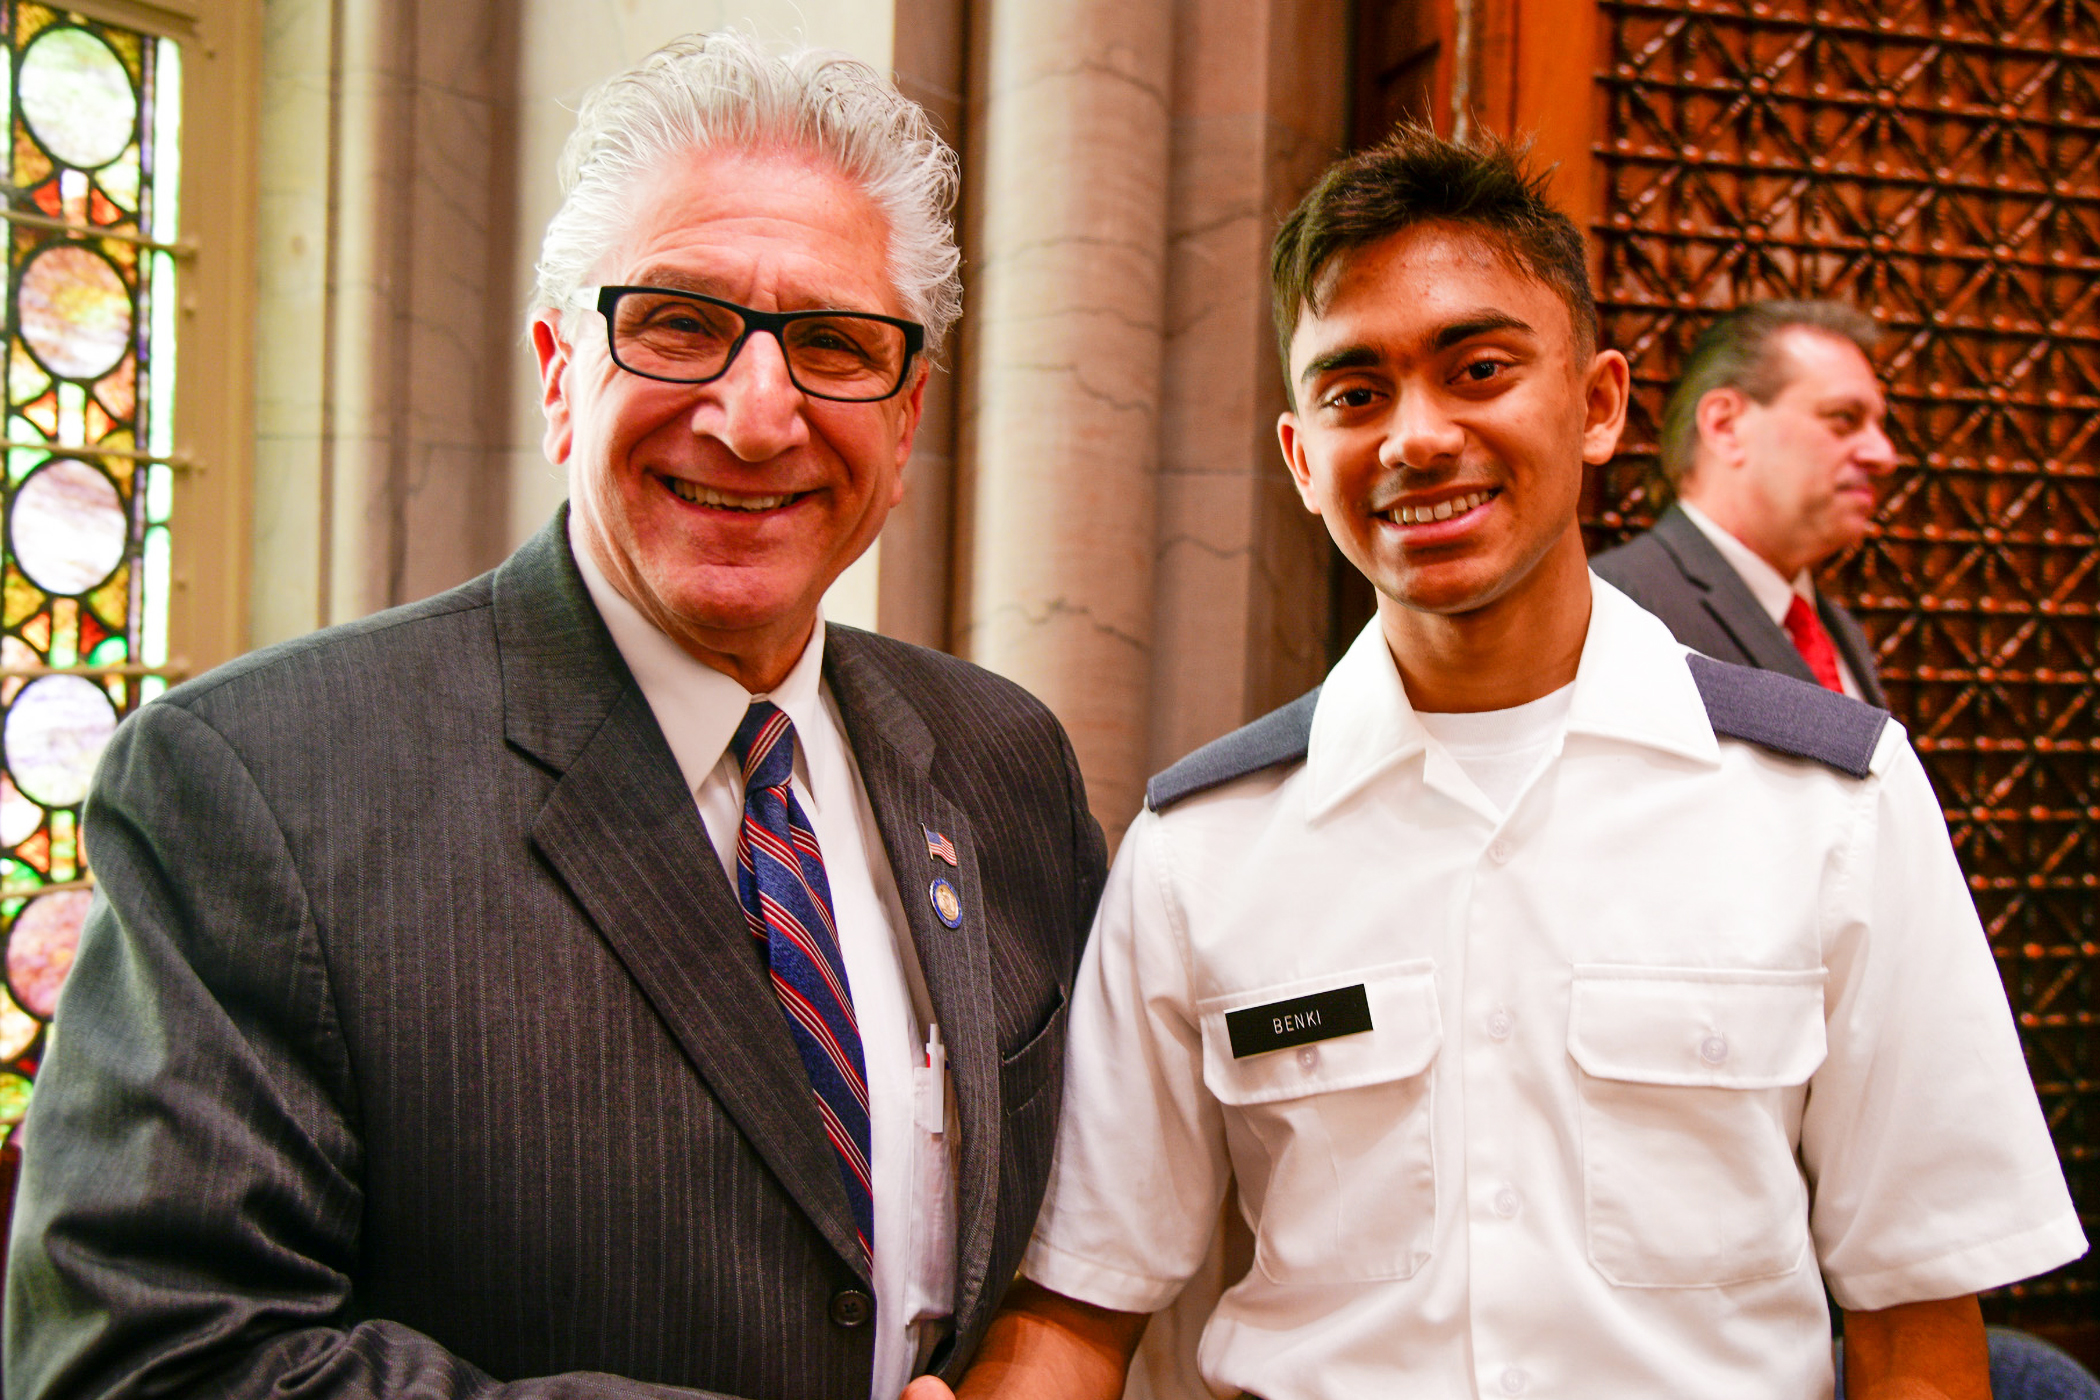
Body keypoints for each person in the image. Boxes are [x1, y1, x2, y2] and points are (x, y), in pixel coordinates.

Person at [906, 126, 2085, 1400]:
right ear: (1304, 461)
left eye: (1477, 368)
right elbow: (1083, 1302)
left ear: (1597, 405)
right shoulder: (1205, 845)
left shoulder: (1832, 803)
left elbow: (1916, 1314)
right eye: (1356, 393)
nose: (1417, 437)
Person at [7, 34, 1104, 1400]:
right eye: (680, 323)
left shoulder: (1005, 765)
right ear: (556, 373)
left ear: (908, 412)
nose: (759, 417)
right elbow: (150, 1362)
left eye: (834, 344)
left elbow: (1086, 1232)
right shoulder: (258, 788)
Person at [1590, 300, 1894, 703]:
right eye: (1843, 418)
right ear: (1725, 426)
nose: (1883, 454)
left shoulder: (1838, 630)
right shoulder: (1614, 609)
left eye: (1879, 425)